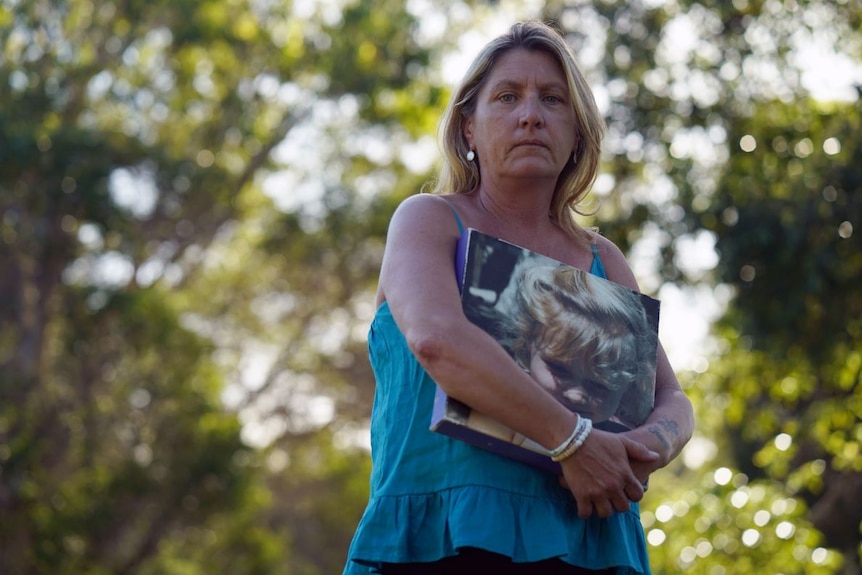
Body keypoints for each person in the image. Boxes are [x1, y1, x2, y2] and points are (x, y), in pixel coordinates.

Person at [343, 20, 694, 575]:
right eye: (507, 97)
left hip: (589, 546)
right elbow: (438, 340)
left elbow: (671, 398)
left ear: (577, 133)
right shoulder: (431, 221)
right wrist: (575, 443)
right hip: (443, 545)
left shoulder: (604, 260)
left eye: (552, 100)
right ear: (468, 130)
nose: (530, 114)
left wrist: (639, 450)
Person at [501, 263, 657, 431]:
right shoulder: (496, 404)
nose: (575, 396)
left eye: (599, 385)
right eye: (559, 370)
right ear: (527, 347)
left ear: (627, 389)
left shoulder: (622, 441)